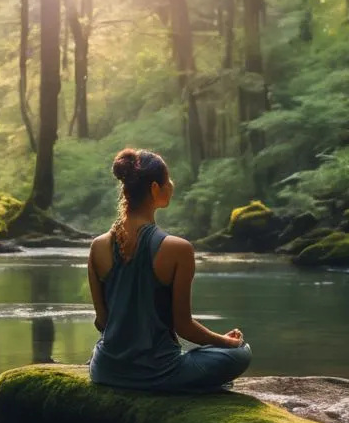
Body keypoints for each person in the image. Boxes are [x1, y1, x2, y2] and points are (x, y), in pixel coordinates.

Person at [87, 148, 252, 392]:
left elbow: (102, 322)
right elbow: (183, 326)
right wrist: (225, 342)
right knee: (241, 353)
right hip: (159, 373)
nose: (171, 185)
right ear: (155, 188)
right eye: (168, 180)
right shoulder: (179, 249)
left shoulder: (97, 246)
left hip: (105, 370)